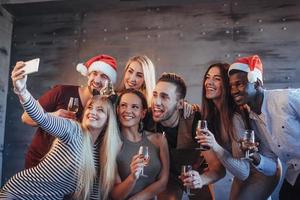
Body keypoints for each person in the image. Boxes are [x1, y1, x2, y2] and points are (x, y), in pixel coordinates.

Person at [0, 62, 119, 199]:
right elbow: (41, 117)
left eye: (100, 110)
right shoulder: (72, 129)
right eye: (90, 107)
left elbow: (93, 195)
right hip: (18, 194)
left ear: (108, 120)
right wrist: (21, 90)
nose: (92, 112)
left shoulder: (101, 154)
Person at [194, 63, 280, 199]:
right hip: (244, 173)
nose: (209, 82)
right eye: (208, 77)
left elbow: (243, 171)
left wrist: (215, 146)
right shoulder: (213, 115)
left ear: (227, 86)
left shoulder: (235, 117)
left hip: (262, 172)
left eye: (216, 78)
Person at [22, 54, 117, 169]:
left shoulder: (103, 112)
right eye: (94, 73)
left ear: (109, 82)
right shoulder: (62, 92)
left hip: (68, 171)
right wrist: (51, 116)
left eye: (104, 76)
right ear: (88, 75)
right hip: (38, 163)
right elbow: (26, 117)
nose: (97, 80)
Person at [228, 55, 300, 199]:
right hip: (295, 172)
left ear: (257, 83)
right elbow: (272, 166)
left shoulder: (285, 99)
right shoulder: (253, 122)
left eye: (240, 84)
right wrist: (254, 156)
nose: (234, 90)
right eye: (231, 86)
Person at [145, 73, 225, 200]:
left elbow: (218, 169)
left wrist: (201, 180)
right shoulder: (147, 118)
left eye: (164, 97)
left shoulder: (195, 121)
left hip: (197, 172)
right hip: (168, 176)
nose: (156, 102)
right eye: (155, 95)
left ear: (180, 104)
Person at [109, 89, 169, 200]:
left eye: (135, 107)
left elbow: (163, 182)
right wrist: (133, 177)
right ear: (117, 110)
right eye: (123, 105)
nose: (127, 110)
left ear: (143, 113)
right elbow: (115, 195)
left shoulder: (159, 140)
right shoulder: (112, 145)